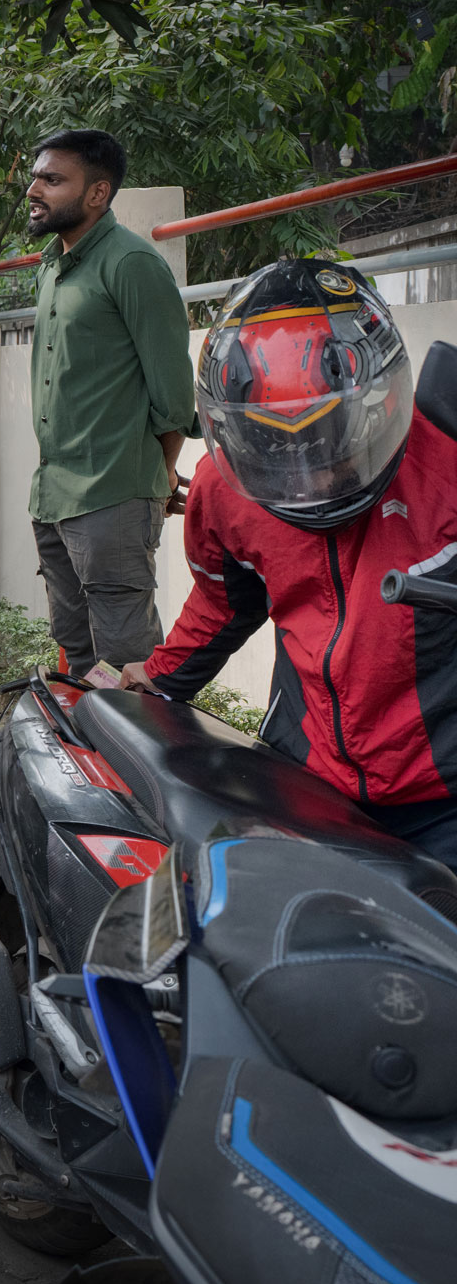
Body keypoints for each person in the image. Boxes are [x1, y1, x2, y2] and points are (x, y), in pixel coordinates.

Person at [120, 260, 457, 868]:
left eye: (332, 442)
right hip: (306, 782)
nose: (309, 478)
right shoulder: (225, 494)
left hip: (444, 801)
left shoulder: (450, 466)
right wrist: (159, 676)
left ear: (379, 403)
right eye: (279, 451)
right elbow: (227, 600)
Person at [21, 128, 194, 673]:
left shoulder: (131, 263)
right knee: (75, 649)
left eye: (52, 179)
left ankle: (132, 755)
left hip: (113, 494)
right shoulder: (52, 265)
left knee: (125, 659)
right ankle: (82, 753)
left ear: (97, 193)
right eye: (36, 175)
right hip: (53, 493)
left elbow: (173, 390)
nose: (34, 188)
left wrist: (161, 472)